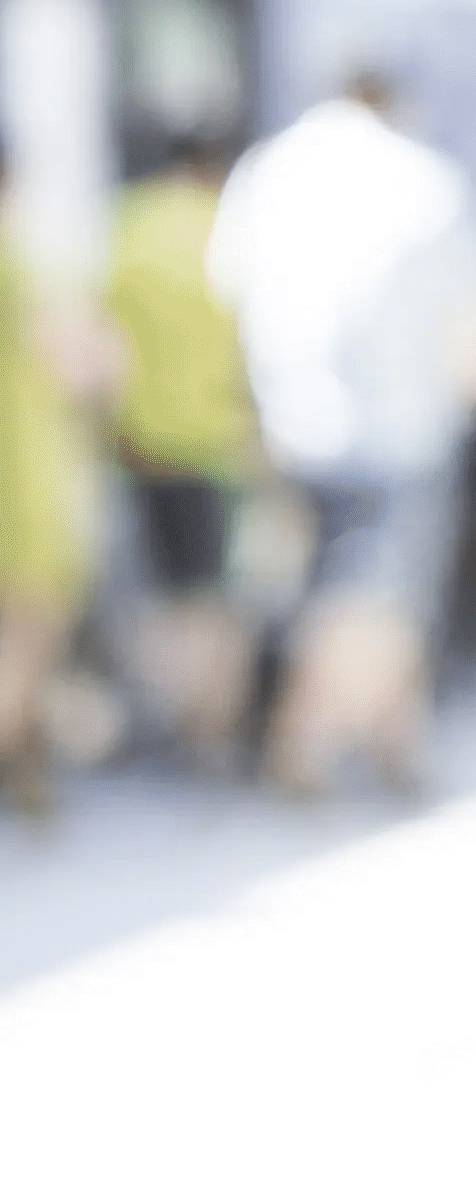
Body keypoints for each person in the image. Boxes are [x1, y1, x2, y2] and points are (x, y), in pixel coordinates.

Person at [213, 69, 476, 794]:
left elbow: (227, 291)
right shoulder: (422, 177)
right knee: (374, 594)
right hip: (399, 428)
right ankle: (301, 744)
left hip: (288, 422)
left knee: (345, 583)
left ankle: (397, 746)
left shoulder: (268, 171)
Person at [103, 130, 262, 771]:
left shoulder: (127, 226)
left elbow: (103, 337)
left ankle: (173, 718)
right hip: (219, 441)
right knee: (216, 594)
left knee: (168, 592)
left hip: (142, 443)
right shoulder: (227, 230)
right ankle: (211, 731)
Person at [0, 144, 100, 818]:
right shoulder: (25, 254)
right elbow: (84, 362)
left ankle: (32, 776)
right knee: (30, 630)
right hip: (24, 466)